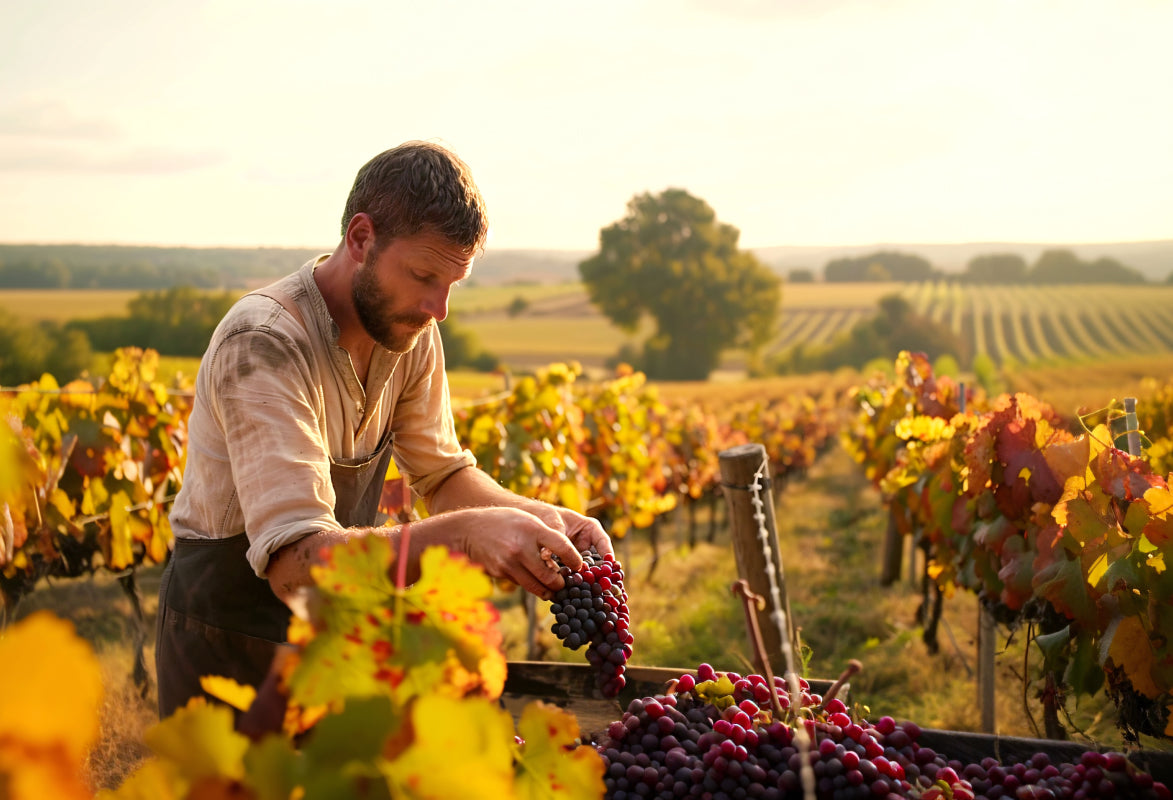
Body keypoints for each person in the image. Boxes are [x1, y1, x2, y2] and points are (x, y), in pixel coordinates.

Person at [155, 140, 611, 719]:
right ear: (361, 238)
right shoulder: (264, 343)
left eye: (453, 283)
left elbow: (444, 477)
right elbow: (296, 567)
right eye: (423, 275)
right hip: (228, 641)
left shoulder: (410, 331)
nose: (438, 308)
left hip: (332, 627)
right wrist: (466, 535)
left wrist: (540, 519)